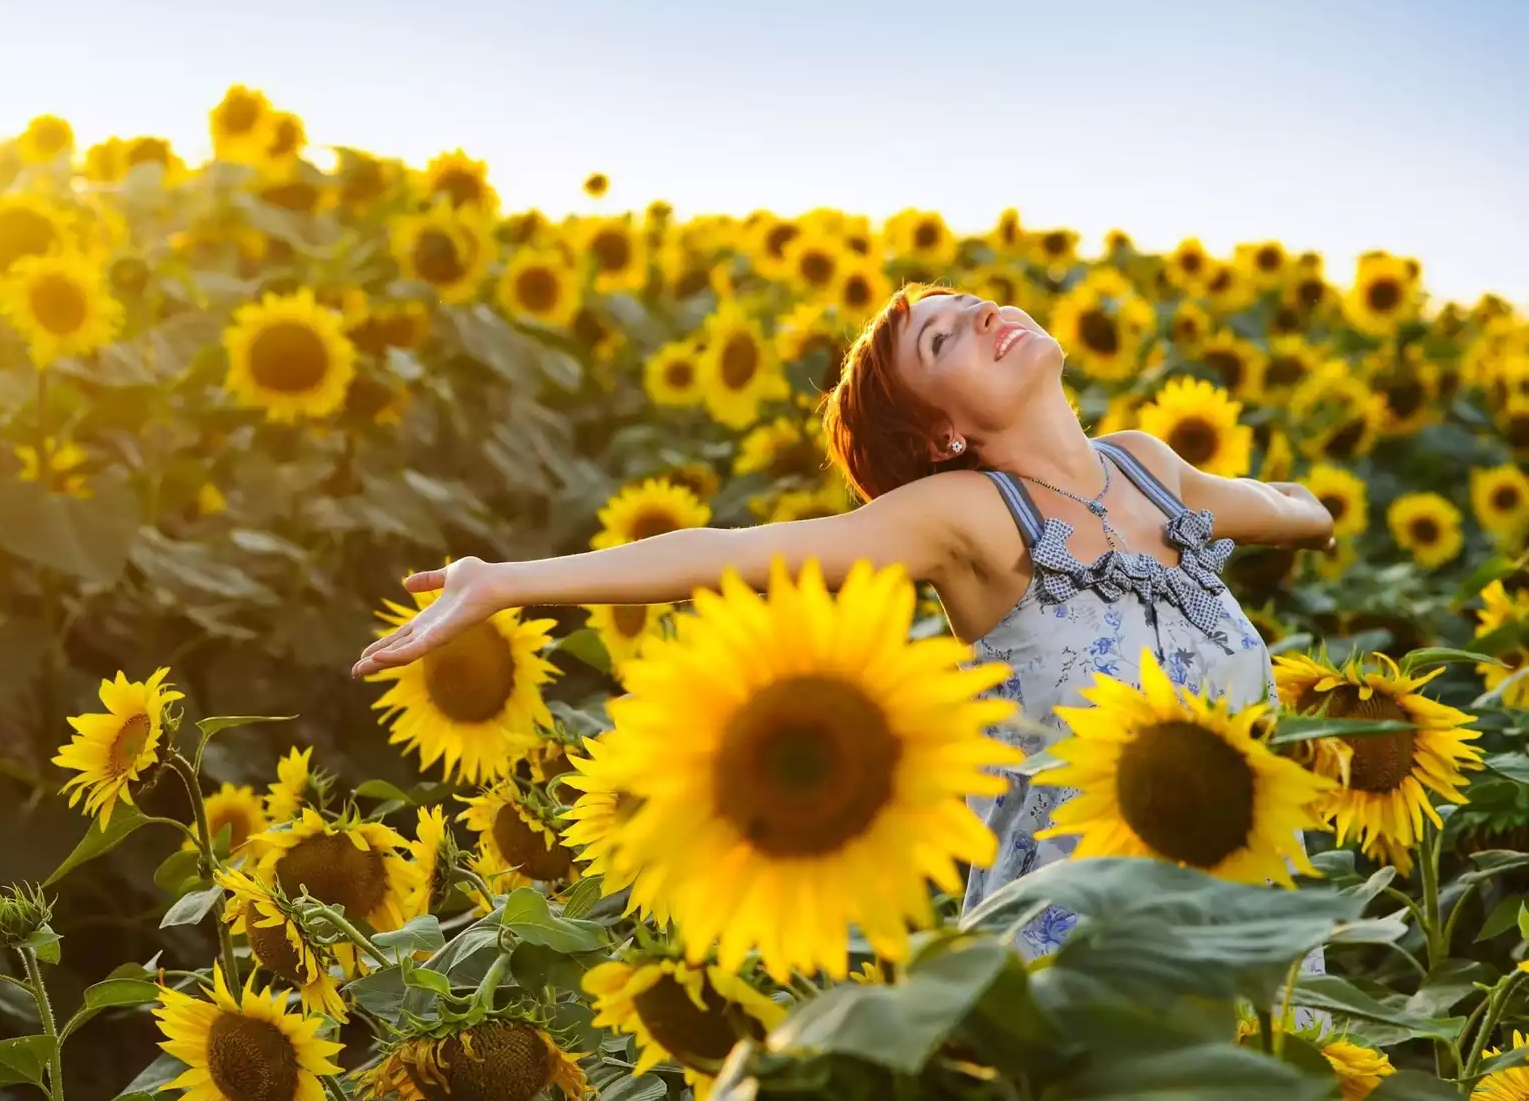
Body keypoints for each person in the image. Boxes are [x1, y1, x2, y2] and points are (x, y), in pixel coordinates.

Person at [348, 281, 1337, 958]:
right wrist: (509, 580)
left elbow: (1293, 507)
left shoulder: (1151, 471)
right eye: (943, 338)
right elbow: (730, 556)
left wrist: (1310, 515)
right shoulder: (969, 520)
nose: (983, 314)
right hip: (1079, 972)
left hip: (1247, 932)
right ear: (943, 430)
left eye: (970, 302)